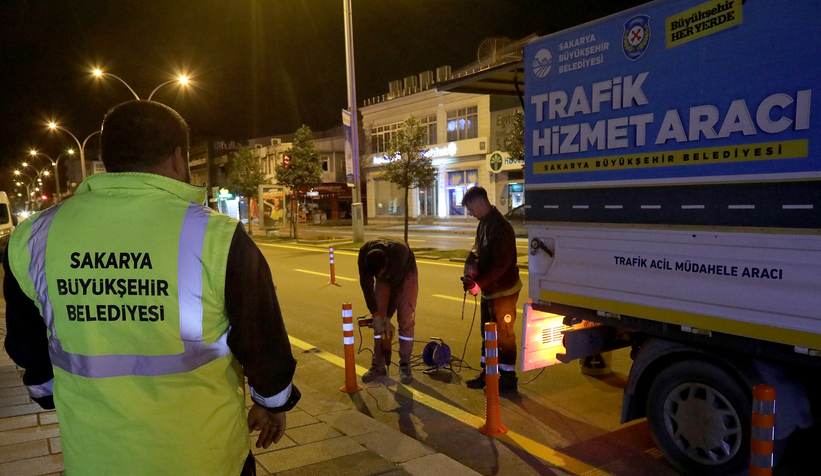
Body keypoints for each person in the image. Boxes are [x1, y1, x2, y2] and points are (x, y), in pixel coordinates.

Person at [3, 100, 300, 476]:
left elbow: (26, 345)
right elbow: (263, 342)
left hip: (96, 458)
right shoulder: (215, 234)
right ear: (179, 158)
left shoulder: (33, 237)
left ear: (109, 160)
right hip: (205, 457)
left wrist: (48, 393)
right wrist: (272, 402)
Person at [461, 186, 522, 392]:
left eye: (471, 209)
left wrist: (479, 283)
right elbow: (479, 250)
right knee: (487, 333)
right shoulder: (484, 224)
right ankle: (488, 374)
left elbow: (501, 265)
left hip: (504, 290)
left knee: (504, 336)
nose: (470, 214)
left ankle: (507, 379)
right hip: (489, 290)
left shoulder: (501, 227)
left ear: (481, 203)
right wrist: (471, 263)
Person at [358, 239, 418, 384]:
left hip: (406, 274)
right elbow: (366, 286)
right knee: (379, 321)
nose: (378, 277)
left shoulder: (399, 254)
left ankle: (404, 364)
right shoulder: (364, 254)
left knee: (405, 320)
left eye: (380, 274)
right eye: (375, 275)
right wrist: (377, 316)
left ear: (386, 265)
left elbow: (396, 291)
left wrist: (388, 319)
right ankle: (378, 364)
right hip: (387, 270)